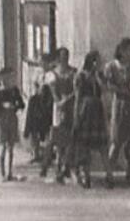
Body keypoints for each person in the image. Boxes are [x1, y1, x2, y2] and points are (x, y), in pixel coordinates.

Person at [72, 50, 114, 189]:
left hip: (97, 110)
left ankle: (109, 176)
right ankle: (86, 176)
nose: (98, 63)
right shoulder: (81, 76)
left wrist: (98, 77)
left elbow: (104, 90)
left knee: (102, 146)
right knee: (85, 147)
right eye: (96, 61)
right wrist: (76, 116)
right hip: (86, 110)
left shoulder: (98, 76)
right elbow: (78, 97)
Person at [103, 37, 130, 183]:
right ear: (122, 51)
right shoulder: (111, 67)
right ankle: (109, 173)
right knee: (116, 140)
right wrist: (122, 90)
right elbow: (107, 85)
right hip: (119, 104)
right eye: (129, 50)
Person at [40, 46, 76, 183]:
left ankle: (64, 166)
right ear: (58, 58)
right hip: (59, 107)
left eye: (66, 55)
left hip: (70, 106)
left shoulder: (73, 72)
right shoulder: (53, 74)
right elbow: (53, 90)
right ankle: (54, 165)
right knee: (56, 137)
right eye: (62, 56)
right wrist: (60, 102)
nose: (65, 58)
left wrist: (69, 98)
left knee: (69, 137)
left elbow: (76, 89)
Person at [0, 67, 25, 181]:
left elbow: (21, 104)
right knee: (3, 145)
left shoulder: (14, 90)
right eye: (5, 77)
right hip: (3, 118)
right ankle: (2, 171)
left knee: (11, 147)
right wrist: (2, 106)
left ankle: (10, 171)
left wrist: (14, 106)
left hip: (12, 117)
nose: (7, 80)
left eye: (10, 77)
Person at [23, 53, 53, 163]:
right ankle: (35, 153)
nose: (42, 64)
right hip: (37, 101)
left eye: (44, 62)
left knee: (47, 128)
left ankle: (47, 154)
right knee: (33, 126)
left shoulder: (52, 74)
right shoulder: (38, 73)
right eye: (41, 62)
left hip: (48, 101)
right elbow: (35, 86)